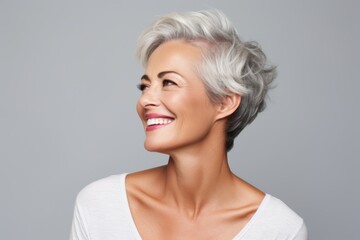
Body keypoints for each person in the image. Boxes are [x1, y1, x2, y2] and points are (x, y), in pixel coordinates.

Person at [70, 9, 307, 240]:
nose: (145, 100)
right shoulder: (100, 205)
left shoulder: (279, 230)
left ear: (224, 103)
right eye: (145, 86)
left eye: (169, 82)